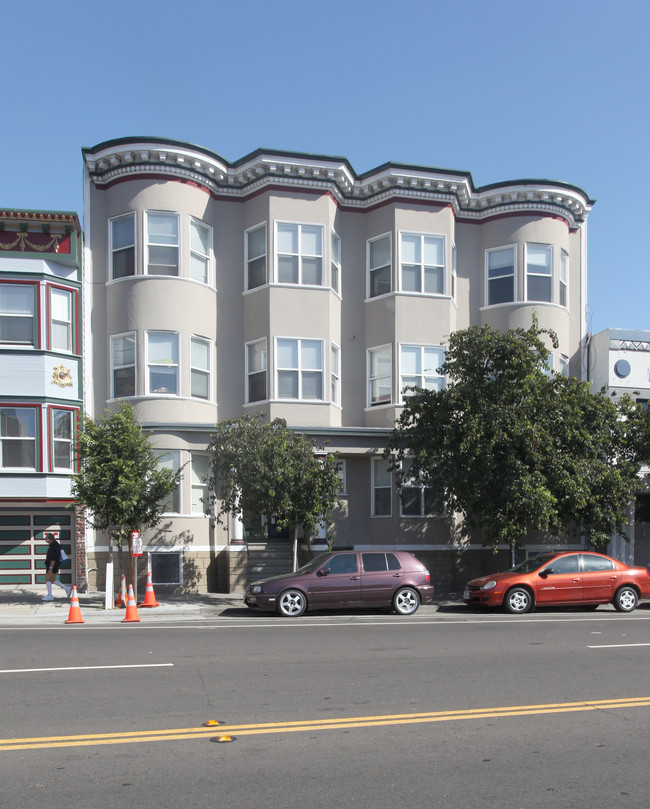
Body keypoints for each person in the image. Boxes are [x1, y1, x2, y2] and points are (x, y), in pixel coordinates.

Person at [42, 533, 72, 601]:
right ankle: (66, 588)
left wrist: (50, 568)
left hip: (52, 566)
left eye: (46, 538)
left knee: (47, 579)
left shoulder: (53, 547)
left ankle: (50, 596)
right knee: (52, 580)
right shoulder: (56, 545)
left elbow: (53, 558)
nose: (45, 539)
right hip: (55, 566)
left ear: (50, 539)